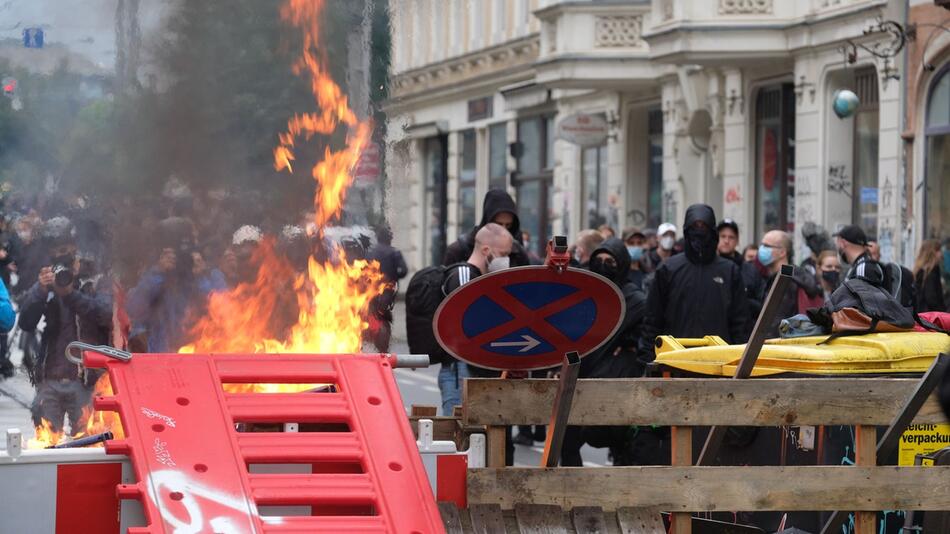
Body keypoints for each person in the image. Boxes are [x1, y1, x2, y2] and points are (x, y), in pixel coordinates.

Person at [19, 217, 113, 433]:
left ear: (74, 247)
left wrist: (71, 294)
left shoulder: (95, 279)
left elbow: (104, 314)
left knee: (88, 443)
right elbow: (25, 322)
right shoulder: (48, 281)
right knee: (44, 445)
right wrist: (39, 292)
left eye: (64, 248)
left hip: (85, 380)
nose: (60, 255)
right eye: (54, 250)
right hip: (50, 377)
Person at [562, 237, 647, 466]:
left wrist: (629, 346)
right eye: (598, 260)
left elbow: (645, 333)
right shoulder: (586, 292)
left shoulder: (634, 299)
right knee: (567, 441)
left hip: (614, 379)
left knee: (618, 438)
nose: (603, 265)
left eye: (610, 260)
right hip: (581, 375)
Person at [640, 205, 749, 363]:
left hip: (719, 362)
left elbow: (740, 321)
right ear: (686, 231)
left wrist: (740, 361)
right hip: (675, 361)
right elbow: (652, 319)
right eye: (694, 227)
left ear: (712, 231)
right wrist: (647, 361)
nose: (699, 232)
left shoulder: (730, 271)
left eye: (703, 226)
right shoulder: (668, 269)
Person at [438, 223, 513, 416]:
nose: (506, 260)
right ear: (486, 250)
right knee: (458, 434)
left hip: (475, 369)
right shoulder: (464, 275)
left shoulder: (483, 278)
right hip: (461, 369)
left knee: (477, 438)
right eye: (503, 254)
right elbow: (468, 322)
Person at [126, 217, 202, 353]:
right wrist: (159, 273)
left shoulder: (195, 277)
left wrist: (201, 277)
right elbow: (134, 308)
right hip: (160, 359)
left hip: (192, 355)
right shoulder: (153, 277)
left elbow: (220, 310)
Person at [757, 230, 821, 337]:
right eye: (761, 245)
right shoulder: (786, 276)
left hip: (781, 344)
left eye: (766, 246)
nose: (761, 249)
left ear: (782, 252)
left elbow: (775, 321)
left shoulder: (786, 280)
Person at [443, 189, 529, 267]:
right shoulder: (458, 251)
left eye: (508, 225)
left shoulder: (518, 253)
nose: (503, 230)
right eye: (498, 224)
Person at [718, 219, 766, 340]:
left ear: (737, 241)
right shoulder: (709, 268)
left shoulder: (750, 270)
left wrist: (742, 300)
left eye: (731, 237)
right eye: (722, 236)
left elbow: (762, 304)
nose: (726, 241)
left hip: (743, 336)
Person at [367, 225, 408, 352]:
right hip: (387, 291)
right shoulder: (394, 252)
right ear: (389, 239)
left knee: (372, 313)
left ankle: (371, 339)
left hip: (370, 290)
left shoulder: (370, 252)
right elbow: (404, 271)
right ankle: (383, 348)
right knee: (384, 317)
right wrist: (394, 276)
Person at [912, 239, 946, 313]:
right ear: (932, 252)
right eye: (938, 250)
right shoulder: (931, 271)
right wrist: (943, 312)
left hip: (921, 315)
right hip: (931, 317)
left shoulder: (919, 271)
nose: (941, 254)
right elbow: (931, 298)